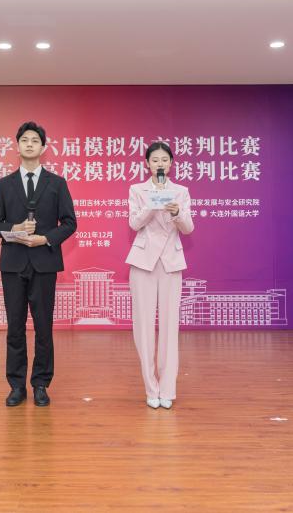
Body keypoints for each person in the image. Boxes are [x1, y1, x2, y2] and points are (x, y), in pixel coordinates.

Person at [0, 122, 77, 407]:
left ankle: (40, 384)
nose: (29, 144)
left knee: (43, 327)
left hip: (44, 263)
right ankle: (16, 386)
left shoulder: (57, 183)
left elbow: (70, 223)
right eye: (24, 140)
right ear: (17, 147)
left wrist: (45, 239)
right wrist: (14, 228)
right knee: (15, 327)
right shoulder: (4, 185)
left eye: (34, 140)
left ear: (43, 147)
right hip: (13, 264)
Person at [125, 141, 194, 410]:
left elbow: (188, 228)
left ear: (171, 163)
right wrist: (153, 204)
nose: (160, 164)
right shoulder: (137, 190)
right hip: (143, 261)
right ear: (147, 164)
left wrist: (177, 213)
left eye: (164, 160)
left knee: (169, 327)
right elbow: (134, 223)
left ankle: (167, 389)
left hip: (170, 262)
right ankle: (151, 388)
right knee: (143, 327)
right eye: (155, 160)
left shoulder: (181, 191)